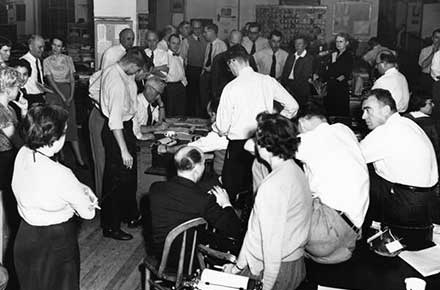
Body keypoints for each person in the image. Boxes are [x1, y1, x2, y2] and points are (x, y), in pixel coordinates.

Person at [12, 104, 97, 290]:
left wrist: (80, 187)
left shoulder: (23, 153)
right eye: (64, 132)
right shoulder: (61, 173)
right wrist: (87, 198)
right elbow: (88, 214)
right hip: (56, 244)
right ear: (55, 139)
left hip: (25, 238)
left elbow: (41, 185)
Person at [223, 112, 312, 290]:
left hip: (273, 270)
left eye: (258, 139)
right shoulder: (294, 171)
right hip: (292, 262)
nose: (254, 144)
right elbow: (255, 231)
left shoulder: (272, 187)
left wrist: (268, 284)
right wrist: (238, 267)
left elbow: (272, 244)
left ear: (267, 146)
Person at [215, 45, 298, 200]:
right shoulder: (267, 81)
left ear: (233, 62)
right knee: (261, 193)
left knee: (232, 195)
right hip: (264, 144)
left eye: (229, 66)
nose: (230, 70)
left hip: (238, 149)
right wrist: (273, 125)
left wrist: (220, 129)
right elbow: (293, 106)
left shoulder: (231, 87)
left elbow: (222, 126)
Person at [360, 89, 438, 249]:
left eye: (368, 110)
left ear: (386, 110)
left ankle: (363, 234)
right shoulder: (407, 123)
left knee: (359, 174)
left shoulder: (386, 131)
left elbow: (352, 159)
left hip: (406, 203)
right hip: (428, 200)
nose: (363, 117)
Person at [295, 102, 369, 264]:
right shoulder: (344, 130)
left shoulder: (308, 139)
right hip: (352, 235)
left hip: (327, 233)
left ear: (301, 122)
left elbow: (257, 146)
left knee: (264, 164)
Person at [147, 146, 241, 266]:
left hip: (160, 255)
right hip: (188, 262)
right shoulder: (204, 200)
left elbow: (183, 195)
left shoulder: (155, 188)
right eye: (203, 164)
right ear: (197, 169)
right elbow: (234, 229)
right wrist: (226, 203)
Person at [100, 47, 148, 240]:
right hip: (116, 132)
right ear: (131, 65)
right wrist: (123, 150)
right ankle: (110, 226)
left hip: (125, 127)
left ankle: (130, 215)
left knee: (128, 178)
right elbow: (115, 121)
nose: (137, 75)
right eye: (137, 71)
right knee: (115, 180)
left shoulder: (119, 70)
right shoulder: (116, 82)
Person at [90, 28, 136, 200]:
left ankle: (114, 206)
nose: (130, 41)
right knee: (105, 164)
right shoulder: (112, 59)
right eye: (127, 38)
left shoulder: (128, 60)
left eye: (133, 38)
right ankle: (103, 202)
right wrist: (105, 104)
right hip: (104, 117)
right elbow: (98, 85)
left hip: (114, 118)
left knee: (114, 168)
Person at [43, 36, 87, 169]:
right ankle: (60, 157)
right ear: (51, 46)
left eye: (59, 46)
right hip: (54, 94)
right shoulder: (46, 61)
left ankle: (80, 160)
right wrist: (62, 96)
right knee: (57, 125)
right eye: (54, 45)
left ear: (63, 47)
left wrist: (70, 96)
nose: (56, 48)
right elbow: (50, 80)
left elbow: (72, 80)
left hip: (68, 92)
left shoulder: (68, 59)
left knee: (71, 125)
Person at [0, 67, 25, 231]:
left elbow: (20, 134)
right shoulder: (2, 112)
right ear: (8, 88)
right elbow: (16, 140)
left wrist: (23, 111)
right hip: (4, 159)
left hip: (9, 157)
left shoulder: (10, 109)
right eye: (17, 87)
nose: (20, 90)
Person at [211, 30, 257, 99]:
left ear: (241, 42)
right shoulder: (219, 59)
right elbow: (214, 83)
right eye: (232, 43)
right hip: (224, 97)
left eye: (237, 44)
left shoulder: (249, 59)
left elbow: (254, 80)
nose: (234, 47)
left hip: (243, 97)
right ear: (228, 41)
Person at [200, 23, 227, 118]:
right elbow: (206, 60)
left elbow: (220, 65)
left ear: (212, 32)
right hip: (206, 76)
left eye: (205, 32)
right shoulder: (208, 45)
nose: (204, 34)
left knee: (212, 102)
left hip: (214, 77)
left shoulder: (221, 45)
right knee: (204, 101)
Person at [323, 33, 353, 117]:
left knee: (339, 114)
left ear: (346, 43)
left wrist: (333, 61)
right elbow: (329, 72)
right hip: (332, 87)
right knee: (330, 113)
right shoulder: (335, 54)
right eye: (337, 41)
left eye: (341, 41)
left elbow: (342, 74)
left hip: (340, 89)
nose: (338, 44)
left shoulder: (348, 56)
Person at [182, 20, 207, 116]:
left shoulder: (205, 40)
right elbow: (183, 58)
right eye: (195, 28)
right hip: (191, 70)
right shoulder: (186, 40)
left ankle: (201, 115)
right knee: (191, 95)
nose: (197, 30)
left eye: (199, 28)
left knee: (202, 95)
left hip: (203, 70)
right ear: (192, 28)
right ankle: (191, 115)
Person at [281, 36, 314, 107]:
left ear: (305, 45)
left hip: (300, 90)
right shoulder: (291, 56)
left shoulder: (309, 58)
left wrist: (290, 88)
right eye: (296, 43)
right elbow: (285, 72)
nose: (297, 46)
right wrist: (283, 85)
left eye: (300, 43)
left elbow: (304, 77)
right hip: (288, 87)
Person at [164, 34, 187, 116]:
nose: (176, 46)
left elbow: (182, 73)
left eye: (178, 43)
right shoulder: (164, 56)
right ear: (168, 43)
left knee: (180, 112)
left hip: (180, 87)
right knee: (170, 112)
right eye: (173, 43)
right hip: (170, 87)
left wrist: (184, 84)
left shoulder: (179, 58)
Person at [20, 35, 47, 104]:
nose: (42, 50)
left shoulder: (38, 60)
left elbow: (39, 80)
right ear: (31, 47)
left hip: (39, 96)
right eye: (40, 47)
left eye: (43, 47)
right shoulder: (24, 61)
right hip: (30, 98)